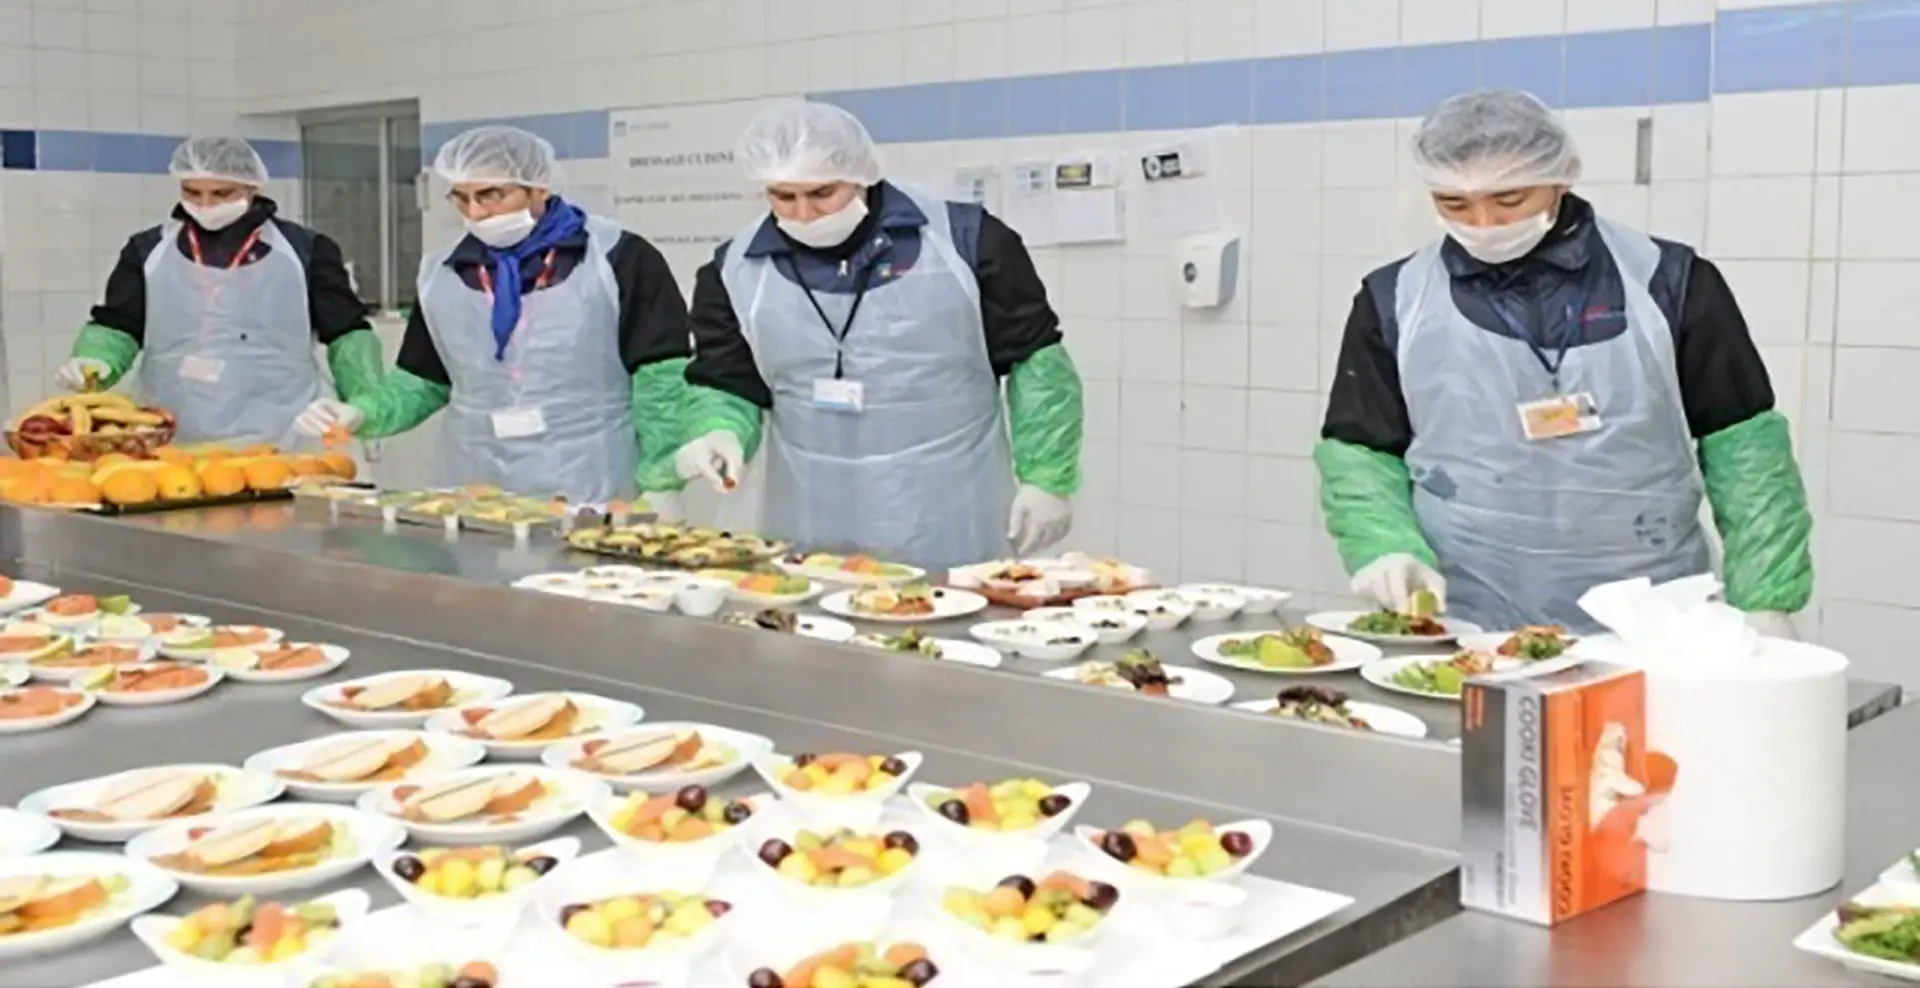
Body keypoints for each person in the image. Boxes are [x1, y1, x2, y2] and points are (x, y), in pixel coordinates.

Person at [1316, 90, 1812, 636]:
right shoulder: (1395, 300)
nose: (1483, 222)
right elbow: (1361, 450)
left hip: (1655, 625)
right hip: (1466, 625)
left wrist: (1766, 600)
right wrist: (1384, 547)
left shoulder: (1669, 283)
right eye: (1455, 203)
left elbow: (1746, 454)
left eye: (1509, 199)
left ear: (1561, 175)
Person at [672, 103, 1083, 569]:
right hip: (806, 514)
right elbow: (727, 379)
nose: (803, 214)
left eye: (822, 193)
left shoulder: (967, 242)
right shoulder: (736, 269)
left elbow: (1037, 365)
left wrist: (1047, 478)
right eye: (782, 197)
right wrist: (718, 431)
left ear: (861, 174)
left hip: (948, 511)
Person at [295, 126, 692, 506]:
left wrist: (661, 479)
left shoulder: (616, 258)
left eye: (491, 195)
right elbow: (424, 381)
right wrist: (363, 411)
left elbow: (661, 379)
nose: (476, 212)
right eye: (461, 198)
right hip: (474, 478)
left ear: (539, 187)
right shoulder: (445, 273)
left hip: (586, 475)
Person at [58, 137, 384, 448]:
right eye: (192, 192)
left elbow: (347, 334)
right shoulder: (147, 250)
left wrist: (366, 405)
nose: (205, 204)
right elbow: (119, 324)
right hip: (168, 430)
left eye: (221, 193)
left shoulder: (306, 250)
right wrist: (96, 360)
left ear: (252, 187)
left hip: (285, 433)